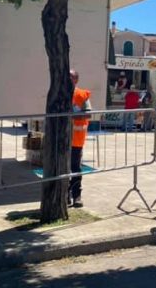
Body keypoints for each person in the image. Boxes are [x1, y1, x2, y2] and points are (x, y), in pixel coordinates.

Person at [70, 69, 92, 208]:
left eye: (71, 77)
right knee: (62, 170)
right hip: (61, 141)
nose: (68, 80)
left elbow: (88, 114)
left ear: (76, 80)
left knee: (75, 169)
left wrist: (70, 116)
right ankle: (64, 196)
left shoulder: (82, 95)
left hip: (76, 140)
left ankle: (76, 196)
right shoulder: (58, 93)